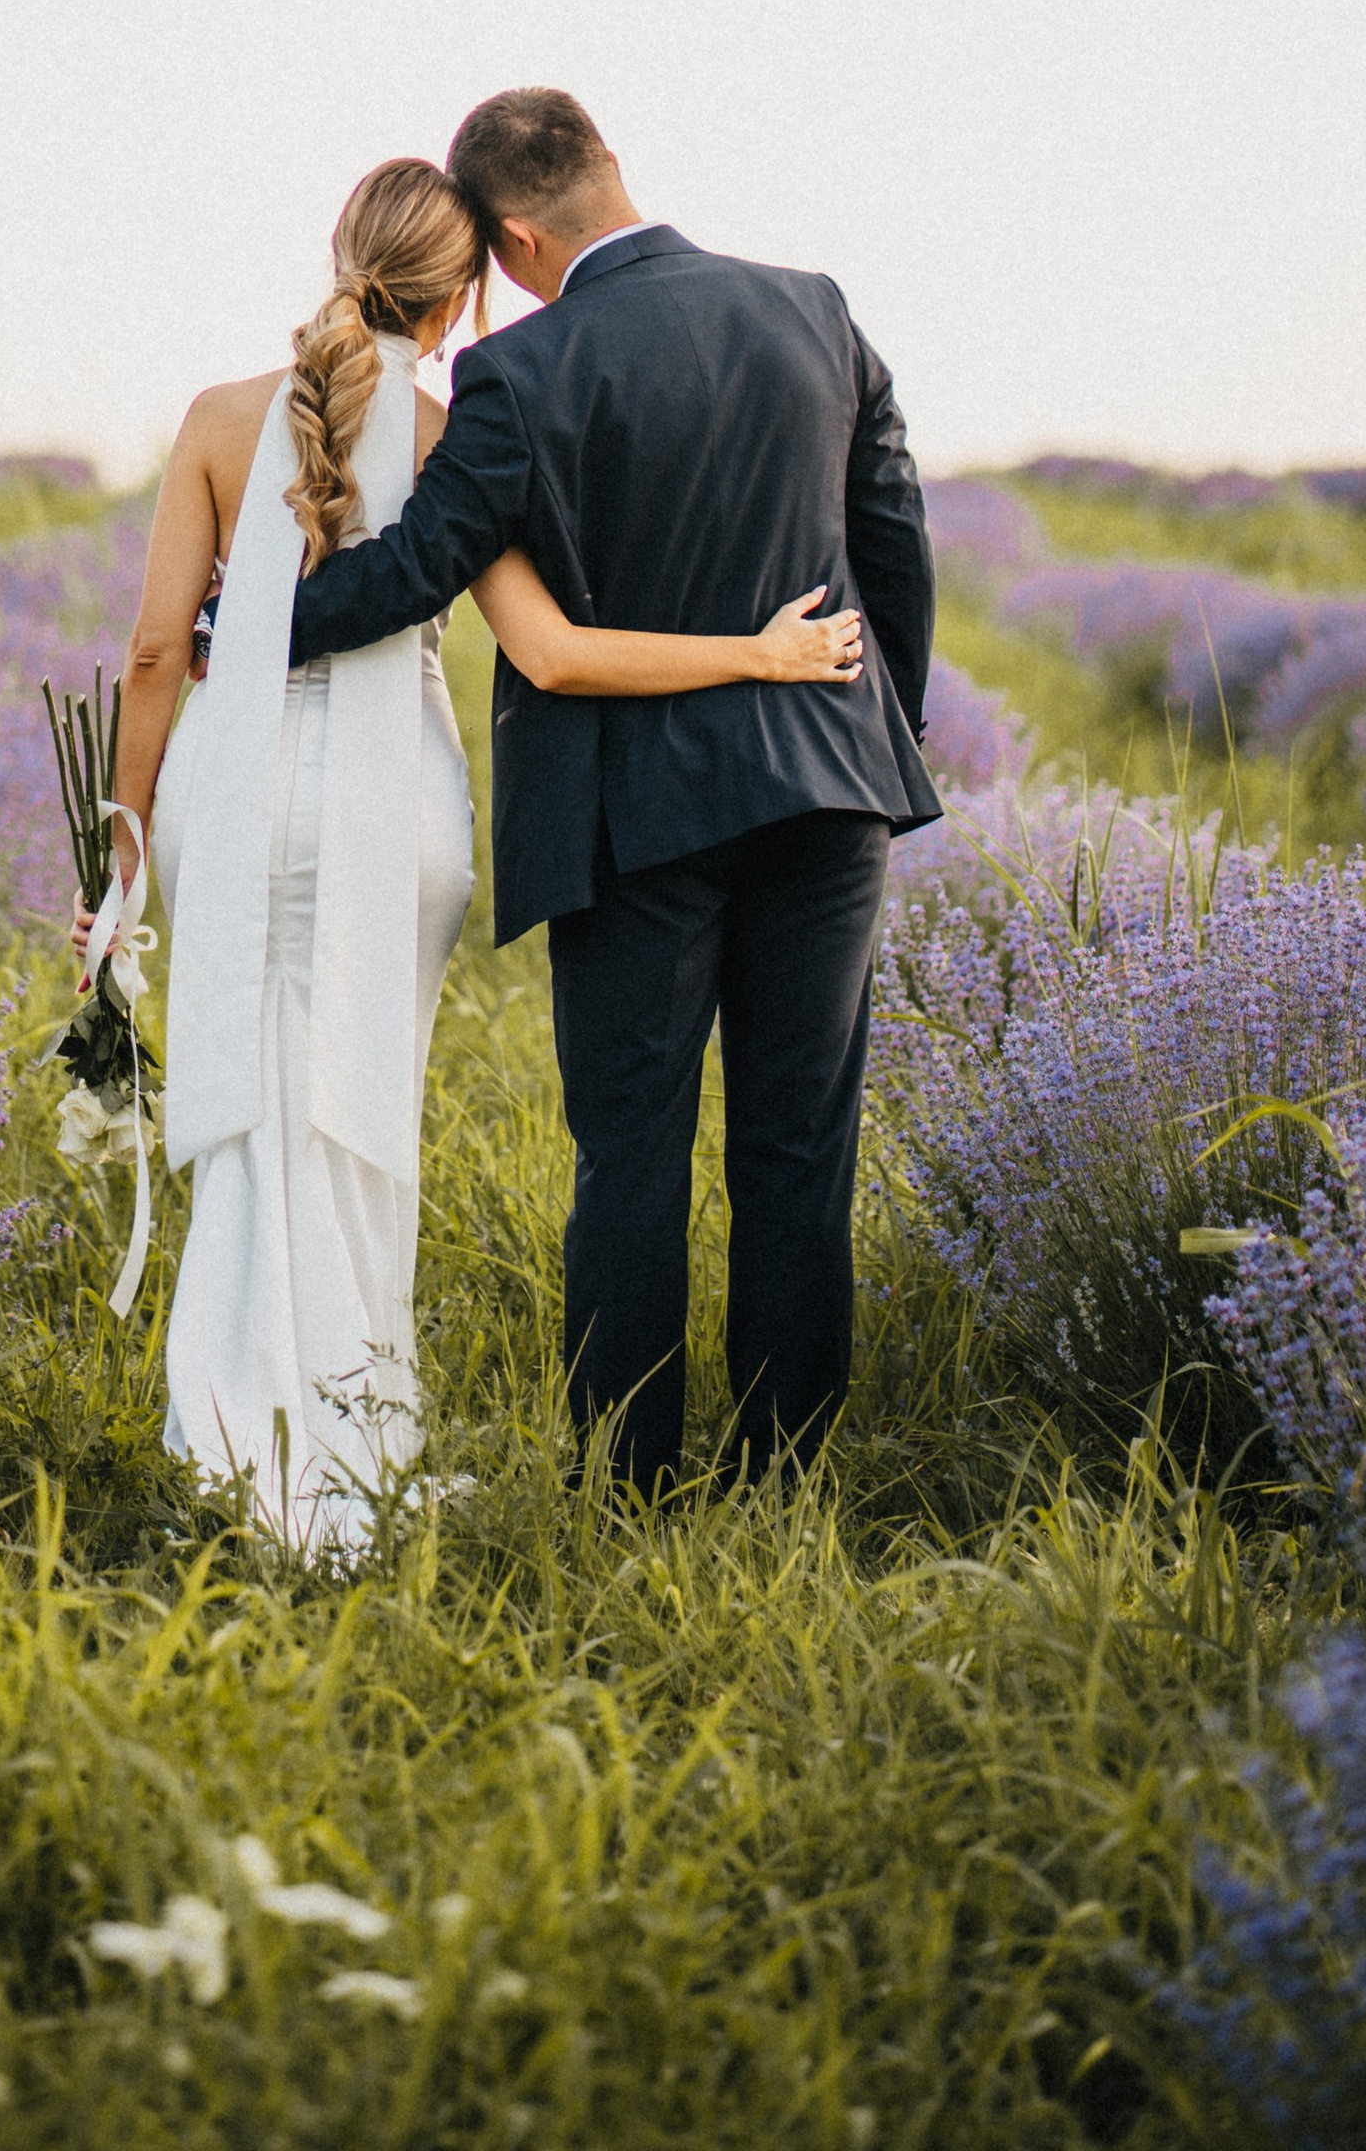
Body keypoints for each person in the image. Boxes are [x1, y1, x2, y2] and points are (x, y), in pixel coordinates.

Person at [94, 154, 864, 1549]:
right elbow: (555, 655)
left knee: (246, 1095)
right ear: (460, 298)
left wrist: (123, 844)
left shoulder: (216, 419)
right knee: (359, 1102)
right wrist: (760, 654)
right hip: (393, 812)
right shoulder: (462, 429)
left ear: (342, 251)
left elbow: (156, 653)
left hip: (234, 789)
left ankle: (228, 1422)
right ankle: (355, 1425)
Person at [285, 90, 937, 1495]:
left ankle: (627, 1483)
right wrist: (883, 734)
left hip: (635, 819)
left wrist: (242, 626)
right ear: (609, 166)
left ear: (513, 238)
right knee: (799, 1149)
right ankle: (782, 1481)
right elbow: (893, 530)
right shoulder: (814, 309)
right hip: (831, 791)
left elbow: (422, 566)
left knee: (630, 1156)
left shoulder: (524, 371)